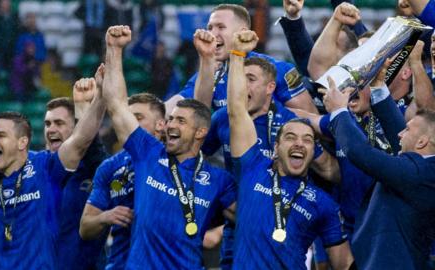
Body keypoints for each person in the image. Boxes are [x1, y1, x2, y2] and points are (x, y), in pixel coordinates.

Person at [102, 25, 236, 269]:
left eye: (180, 121)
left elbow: (251, 219)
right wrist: (114, 49)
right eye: (171, 118)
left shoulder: (219, 180)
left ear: (201, 133)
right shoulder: (148, 153)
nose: (170, 125)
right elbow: (116, 106)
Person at [0, 63, 109, 270]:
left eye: (0, 135)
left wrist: (99, 97)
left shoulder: (47, 168)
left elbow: (82, 139)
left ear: (22, 142)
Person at [226, 29, 353, 269]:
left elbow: (344, 263)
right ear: (276, 147)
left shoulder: (323, 203)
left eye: (307, 140)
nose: (299, 143)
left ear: (312, 151)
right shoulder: (253, 168)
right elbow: (236, 111)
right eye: (291, 137)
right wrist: (236, 55)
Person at [201, 56, 340, 269]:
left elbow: (328, 169)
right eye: (239, 78)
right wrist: (220, 194)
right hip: (237, 224)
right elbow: (195, 154)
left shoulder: (292, 126)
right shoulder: (223, 118)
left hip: (284, 222)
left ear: (270, 87)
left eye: (250, 78)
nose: (242, 85)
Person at [322, 61, 435, 269]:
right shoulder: (423, 167)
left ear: (422, 142)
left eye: (408, 130)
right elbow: (397, 131)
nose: (401, 134)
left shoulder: (418, 173)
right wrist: (378, 86)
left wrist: (338, 112)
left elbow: (360, 152)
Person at [165, 3, 318, 115]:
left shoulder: (276, 69)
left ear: (242, 32)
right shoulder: (208, 74)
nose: (212, 34)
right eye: (210, 27)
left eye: (221, 27)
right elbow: (182, 109)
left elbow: (310, 118)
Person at [80, 93, 166, 269]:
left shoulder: (176, 162)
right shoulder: (110, 167)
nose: (128, 123)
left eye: (138, 118)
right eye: (126, 117)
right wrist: (106, 216)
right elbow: (85, 227)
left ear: (160, 125)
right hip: (121, 264)